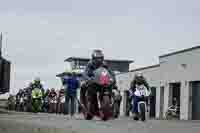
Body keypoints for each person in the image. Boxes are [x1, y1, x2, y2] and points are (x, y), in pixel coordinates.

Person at [80, 50, 117, 116]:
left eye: (100, 58)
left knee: (113, 89)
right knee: (83, 86)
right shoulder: (90, 64)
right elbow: (85, 73)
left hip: (102, 81)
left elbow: (111, 72)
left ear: (102, 58)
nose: (99, 60)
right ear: (93, 58)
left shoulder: (104, 64)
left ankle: (110, 107)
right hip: (92, 80)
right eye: (97, 58)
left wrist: (112, 79)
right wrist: (88, 79)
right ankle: (83, 102)